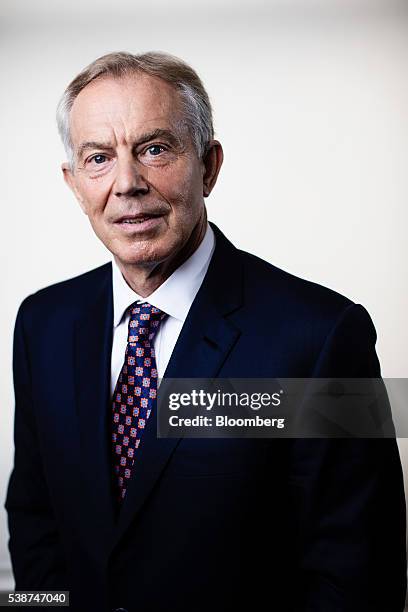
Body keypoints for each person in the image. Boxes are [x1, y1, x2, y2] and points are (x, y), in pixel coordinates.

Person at [4, 51, 406, 612]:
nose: (127, 183)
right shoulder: (41, 324)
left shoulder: (323, 338)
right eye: (99, 158)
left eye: (155, 149)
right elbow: (34, 517)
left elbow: (360, 577)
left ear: (210, 166)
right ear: (74, 184)